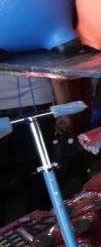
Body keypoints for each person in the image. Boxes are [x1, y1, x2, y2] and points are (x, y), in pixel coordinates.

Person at [0, 77, 72, 224]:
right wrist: (63, 110)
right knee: (40, 169)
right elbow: (56, 77)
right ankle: (40, 228)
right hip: (36, 103)